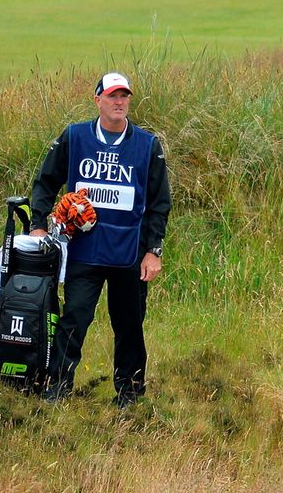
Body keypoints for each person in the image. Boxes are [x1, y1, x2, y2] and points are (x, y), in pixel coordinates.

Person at [30, 72, 171, 408]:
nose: (119, 102)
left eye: (124, 96)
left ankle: (130, 395)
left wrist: (153, 251)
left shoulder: (148, 145)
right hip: (83, 251)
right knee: (73, 320)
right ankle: (56, 391)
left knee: (130, 327)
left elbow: (159, 203)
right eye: (112, 96)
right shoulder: (75, 136)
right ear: (98, 101)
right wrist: (37, 225)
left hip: (129, 254)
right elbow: (45, 181)